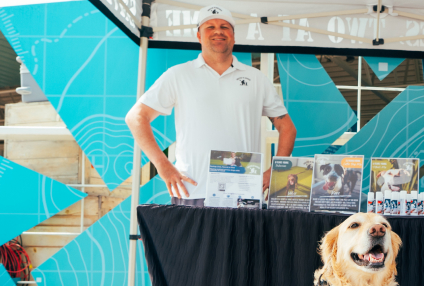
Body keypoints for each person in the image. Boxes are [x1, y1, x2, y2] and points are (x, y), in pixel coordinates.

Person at [125, 5, 296, 206]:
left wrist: (275, 171)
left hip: (243, 194)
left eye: (225, 26)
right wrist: (163, 166)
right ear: (199, 35)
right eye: (210, 26)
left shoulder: (256, 78)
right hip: (192, 192)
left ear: (233, 35)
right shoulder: (178, 75)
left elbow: (287, 128)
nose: (218, 31)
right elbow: (136, 118)